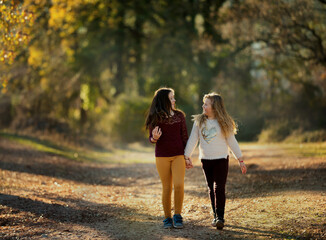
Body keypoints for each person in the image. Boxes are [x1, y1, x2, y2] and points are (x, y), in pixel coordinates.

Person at [184, 92, 247, 230]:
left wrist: (240, 159)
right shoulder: (199, 121)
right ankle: (215, 215)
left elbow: (232, 141)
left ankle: (220, 217)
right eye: (203, 103)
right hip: (206, 160)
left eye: (206, 104)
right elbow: (193, 140)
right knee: (210, 188)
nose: (203, 106)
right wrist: (186, 156)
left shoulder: (224, 122)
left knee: (219, 187)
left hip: (221, 159)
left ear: (214, 106)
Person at [145, 87, 192, 229]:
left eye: (174, 97)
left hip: (178, 155)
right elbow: (151, 139)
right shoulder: (155, 117)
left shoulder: (180, 116)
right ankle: (167, 218)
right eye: (171, 98)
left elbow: (185, 137)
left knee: (179, 185)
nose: (174, 100)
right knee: (166, 187)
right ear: (164, 100)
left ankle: (177, 216)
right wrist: (155, 137)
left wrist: (187, 156)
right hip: (162, 156)